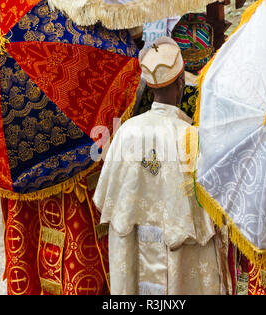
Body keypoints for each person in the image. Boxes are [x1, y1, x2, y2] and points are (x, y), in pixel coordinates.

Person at [93, 36, 232, 295]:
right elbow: (212, 214)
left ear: (148, 85)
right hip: (177, 258)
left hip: (134, 253)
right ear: (181, 83)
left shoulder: (125, 132)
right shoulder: (191, 137)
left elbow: (105, 200)